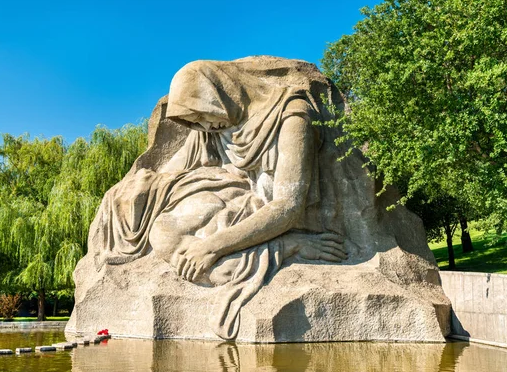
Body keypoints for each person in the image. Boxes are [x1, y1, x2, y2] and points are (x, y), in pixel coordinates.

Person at [91, 58, 347, 339]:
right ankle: (239, 257)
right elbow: (172, 171)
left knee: (188, 250)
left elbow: (288, 205)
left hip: (270, 211)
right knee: (160, 230)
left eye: (203, 114)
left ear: (219, 93)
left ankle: (289, 246)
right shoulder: (211, 126)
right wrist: (131, 192)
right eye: (194, 120)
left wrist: (212, 247)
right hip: (227, 197)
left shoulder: (291, 115)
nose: (205, 126)